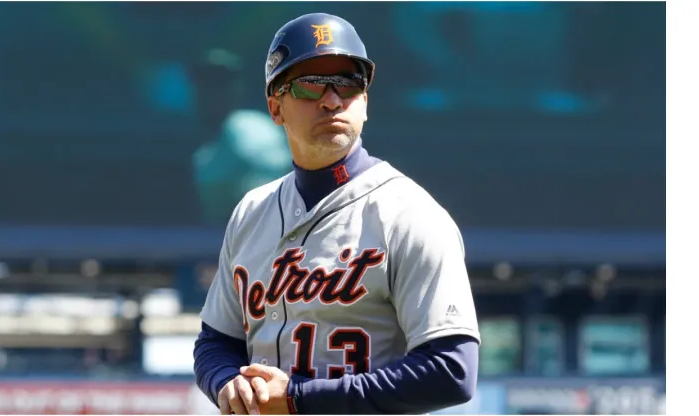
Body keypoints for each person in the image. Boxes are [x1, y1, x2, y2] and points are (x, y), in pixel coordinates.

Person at [193, 13, 481, 415]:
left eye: (348, 82)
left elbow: (452, 369)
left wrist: (298, 398)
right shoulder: (251, 212)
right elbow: (216, 341)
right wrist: (226, 383)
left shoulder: (410, 215)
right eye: (310, 84)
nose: (332, 99)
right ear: (275, 107)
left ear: (365, 102)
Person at [188, 48, 293, 224]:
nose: (214, 91)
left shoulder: (254, 130)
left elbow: (268, 203)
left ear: (239, 87)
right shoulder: (188, 132)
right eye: (206, 82)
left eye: (222, 83)